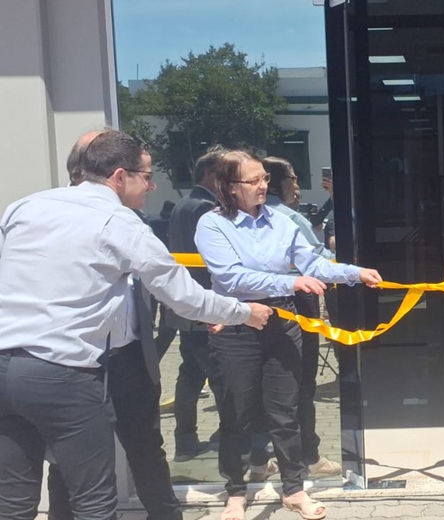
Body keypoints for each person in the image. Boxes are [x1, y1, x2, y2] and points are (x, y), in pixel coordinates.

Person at [0, 130, 272, 520]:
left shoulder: (24, 207)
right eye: (146, 176)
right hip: (63, 374)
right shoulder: (120, 223)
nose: (151, 185)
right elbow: (184, 297)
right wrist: (245, 313)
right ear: (118, 176)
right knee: (94, 502)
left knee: (12, 503)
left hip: (5, 368)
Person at [194, 149, 382, 520]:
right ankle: (235, 493)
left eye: (264, 178)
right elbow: (232, 277)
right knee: (237, 414)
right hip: (236, 326)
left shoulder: (280, 221)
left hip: (282, 323)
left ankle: (293, 489)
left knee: (286, 412)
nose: (263, 185)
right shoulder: (212, 224)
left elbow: (312, 263)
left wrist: (354, 274)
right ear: (229, 186)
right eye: (253, 180)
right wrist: (291, 281)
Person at [46, 130, 182, 520]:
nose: (151, 185)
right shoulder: (51, 217)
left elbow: (162, 282)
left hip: (132, 358)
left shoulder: (132, 218)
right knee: (69, 456)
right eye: (146, 175)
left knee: (146, 448)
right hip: (77, 362)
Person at [262, 156, 342, 479]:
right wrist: (352, 266)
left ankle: (259, 458)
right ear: (275, 183)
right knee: (303, 382)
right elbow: (320, 260)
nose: (297, 186)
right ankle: (309, 455)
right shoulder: (289, 219)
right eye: (293, 179)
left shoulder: (241, 218)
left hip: (261, 307)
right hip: (298, 302)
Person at [168, 145, 226, 461]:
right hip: (205, 306)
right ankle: (231, 438)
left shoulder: (183, 204)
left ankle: (185, 441)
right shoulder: (205, 208)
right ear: (209, 174)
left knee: (190, 373)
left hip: (187, 306)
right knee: (219, 374)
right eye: (225, 175)